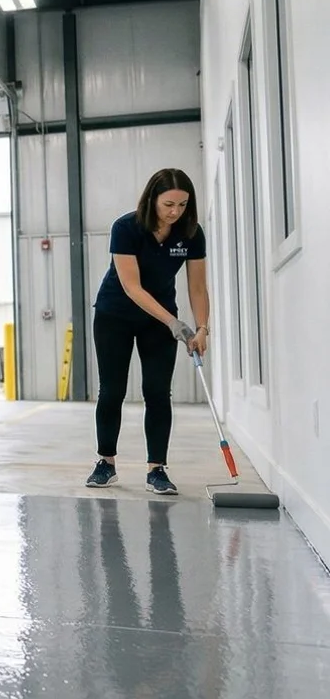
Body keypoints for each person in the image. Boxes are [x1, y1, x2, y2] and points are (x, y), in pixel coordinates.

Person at [86, 168, 209, 495]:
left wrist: (202, 328)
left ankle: (157, 469)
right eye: (169, 204)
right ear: (152, 199)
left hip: (161, 320)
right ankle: (105, 463)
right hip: (116, 314)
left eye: (182, 205)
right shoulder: (125, 228)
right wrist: (173, 322)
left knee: (157, 392)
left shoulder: (192, 234)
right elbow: (132, 287)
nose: (175, 212)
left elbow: (197, 287)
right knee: (112, 389)